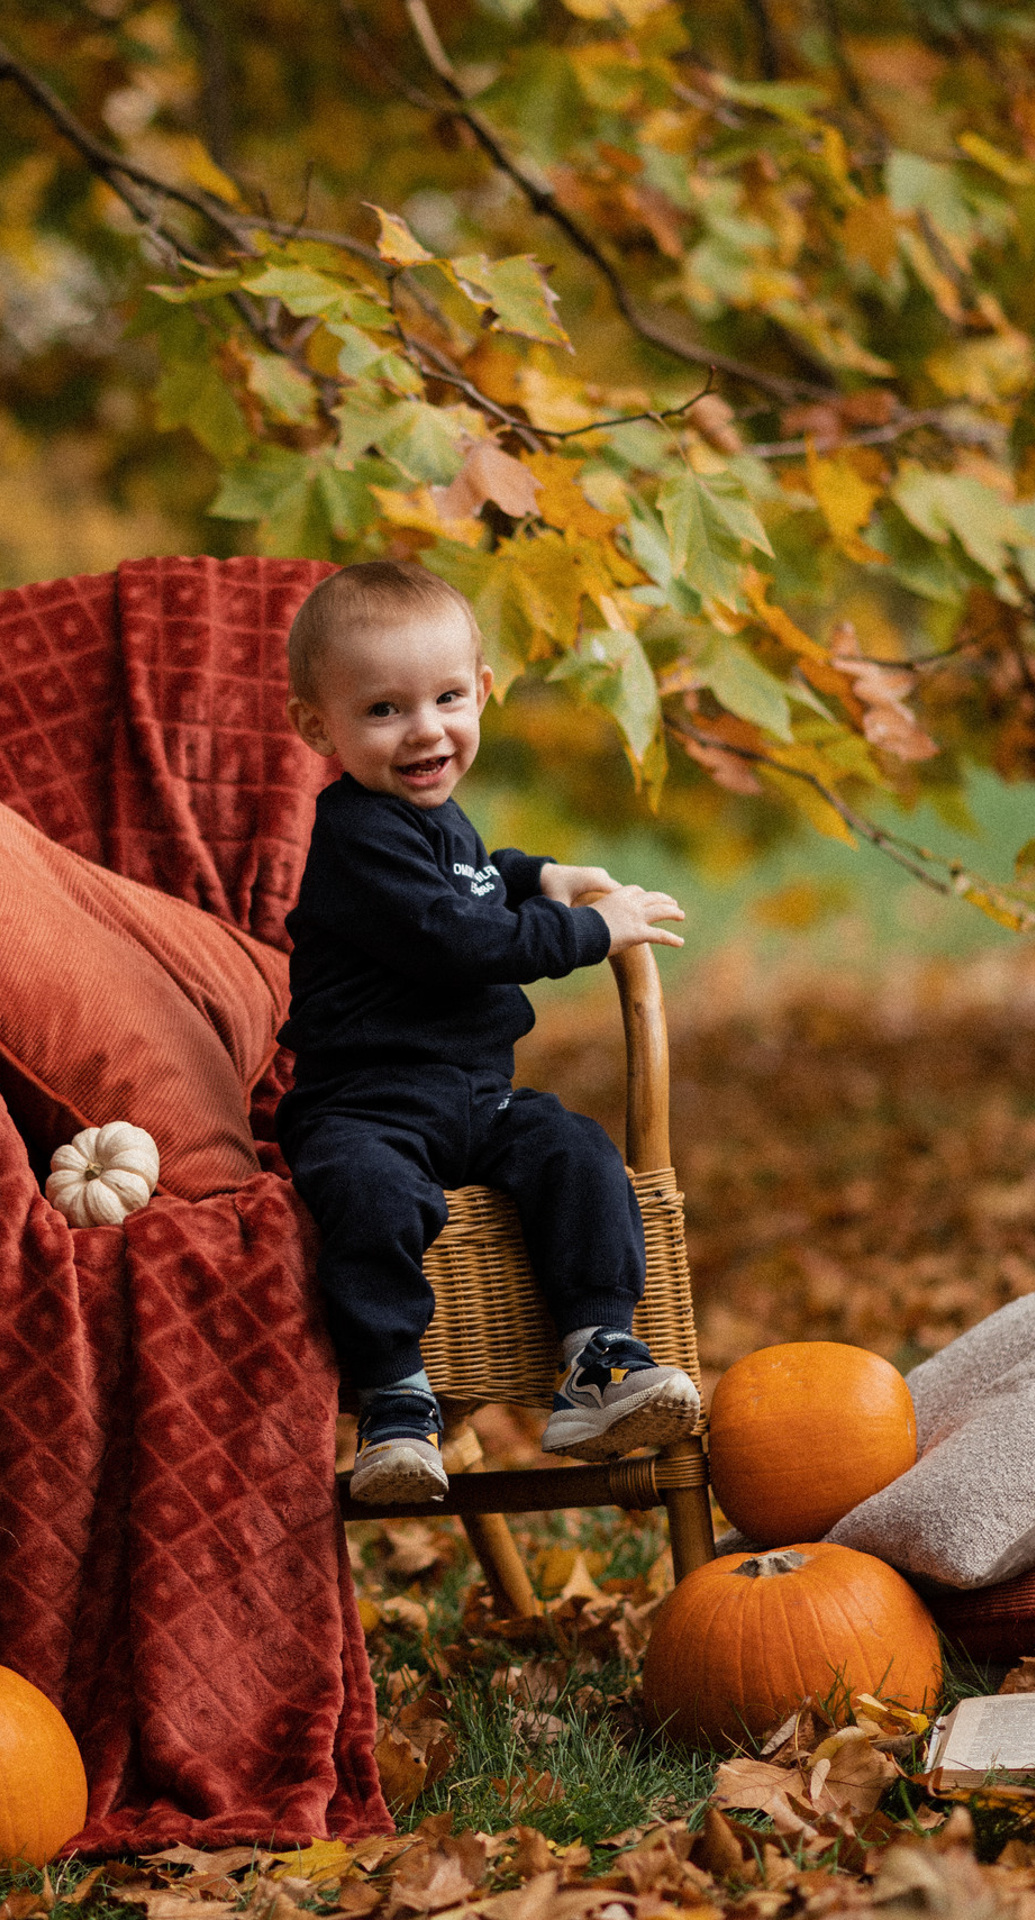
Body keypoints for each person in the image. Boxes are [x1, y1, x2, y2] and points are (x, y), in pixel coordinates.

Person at [275, 559, 700, 1505]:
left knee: (576, 1151)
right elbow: (453, 933)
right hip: (368, 1104)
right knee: (369, 1197)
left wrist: (539, 873)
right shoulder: (353, 833)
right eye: (384, 710)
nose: (425, 728)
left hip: (478, 1099)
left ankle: (600, 1356)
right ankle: (394, 1399)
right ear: (321, 728)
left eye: (447, 697)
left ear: (484, 693)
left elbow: (472, 878)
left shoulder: (431, 812)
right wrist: (590, 929)